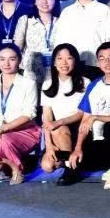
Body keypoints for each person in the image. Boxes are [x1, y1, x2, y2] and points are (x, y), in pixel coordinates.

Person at [62, 42, 110, 188]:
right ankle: (100, 163)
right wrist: (78, 148)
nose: (107, 62)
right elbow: (85, 120)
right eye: (102, 58)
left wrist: (97, 117)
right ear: (98, 62)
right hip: (98, 140)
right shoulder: (94, 85)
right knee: (74, 161)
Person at [0, 44, 41, 185]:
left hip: (26, 131)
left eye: (12, 59)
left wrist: (2, 129)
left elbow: (29, 114)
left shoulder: (28, 84)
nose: (6, 63)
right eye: (2, 59)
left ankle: (17, 169)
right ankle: (9, 163)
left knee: (4, 139)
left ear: (19, 61)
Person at [38, 43, 86, 182]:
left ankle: (72, 170)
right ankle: (68, 160)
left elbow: (81, 114)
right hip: (56, 130)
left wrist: (59, 122)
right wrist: (49, 146)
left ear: (75, 61)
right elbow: (47, 117)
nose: (64, 63)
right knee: (47, 166)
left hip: (78, 127)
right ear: (54, 62)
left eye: (69, 58)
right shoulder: (47, 84)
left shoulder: (84, 82)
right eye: (59, 58)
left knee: (60, 128)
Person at [52, 0, 110, 69]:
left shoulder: (105, 11)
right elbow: (59, 42)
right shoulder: (67, 12)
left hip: (97, 66)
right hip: (71, 66)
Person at [16, 0, 61, 83]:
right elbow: (17, 48)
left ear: (55, 1)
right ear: (35, 1)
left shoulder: (61, 22)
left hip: (54, 73)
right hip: (29, 75)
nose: (45, 1)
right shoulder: (25, 20)